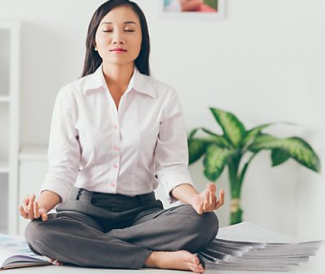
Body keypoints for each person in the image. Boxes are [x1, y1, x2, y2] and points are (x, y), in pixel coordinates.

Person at [19, 0, 225, 272]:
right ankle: (152, 257)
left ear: (142, 41)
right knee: (37, 233)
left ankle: (90, 249)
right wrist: (40, 208)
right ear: (94, 40)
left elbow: (171, 167)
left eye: (129, 30)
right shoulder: (71, 96)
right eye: (107, 30)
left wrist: (196, 200)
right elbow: (62, 168)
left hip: (142, 214)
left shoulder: (163, 96)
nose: (118, 38)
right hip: (83, 211)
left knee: (204, 222)